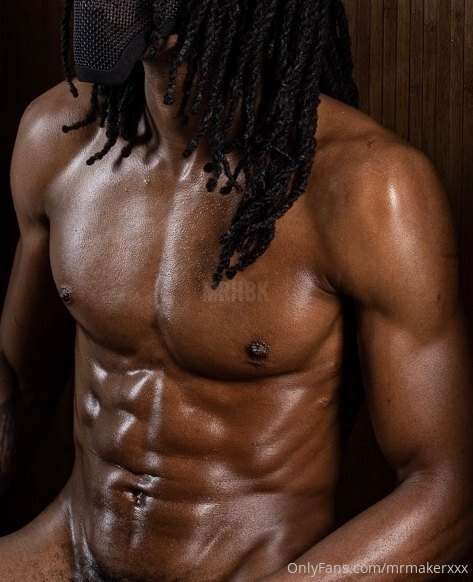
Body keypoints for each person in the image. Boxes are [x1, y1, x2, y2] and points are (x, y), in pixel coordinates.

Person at [0, 0, 472, 580]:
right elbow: (19, 391)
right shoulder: (58, 138)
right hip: (70, 548)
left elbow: (446, 493)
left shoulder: (367, 187)